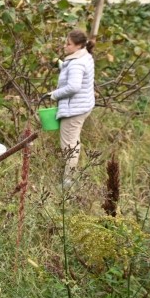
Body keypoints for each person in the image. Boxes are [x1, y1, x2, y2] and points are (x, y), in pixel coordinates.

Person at [43, 29, 95, 183]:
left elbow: (73, 86)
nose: (65, 46)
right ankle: (69, 175)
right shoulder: (85, 56)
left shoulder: (76, 63)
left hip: (74, 109)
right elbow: (75, 72)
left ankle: (68, 181)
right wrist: (61, 65)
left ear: (78, 46)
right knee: (73, 141)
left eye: (68, 44)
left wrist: (54, 94)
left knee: (69, 145)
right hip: (84, 105)